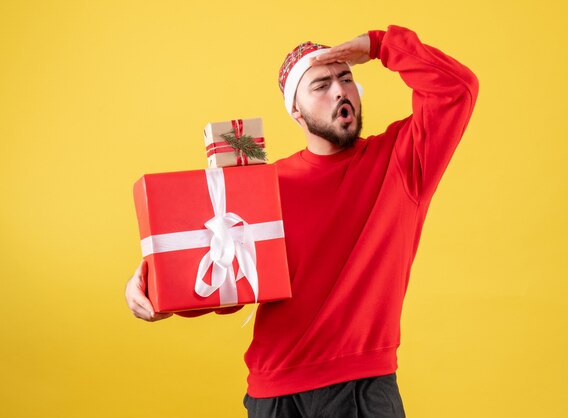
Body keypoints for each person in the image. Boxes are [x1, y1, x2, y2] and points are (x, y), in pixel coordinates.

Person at [126, 24, 479, 417]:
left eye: (346, 79)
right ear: (296, 111)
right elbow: (226, 276)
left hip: (357, 390)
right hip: (272, 394)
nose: (340, 90)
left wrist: (380, 46)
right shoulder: (267, 185)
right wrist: (150, 289)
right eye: (321, 85)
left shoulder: (402, 162)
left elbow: (456, 90)